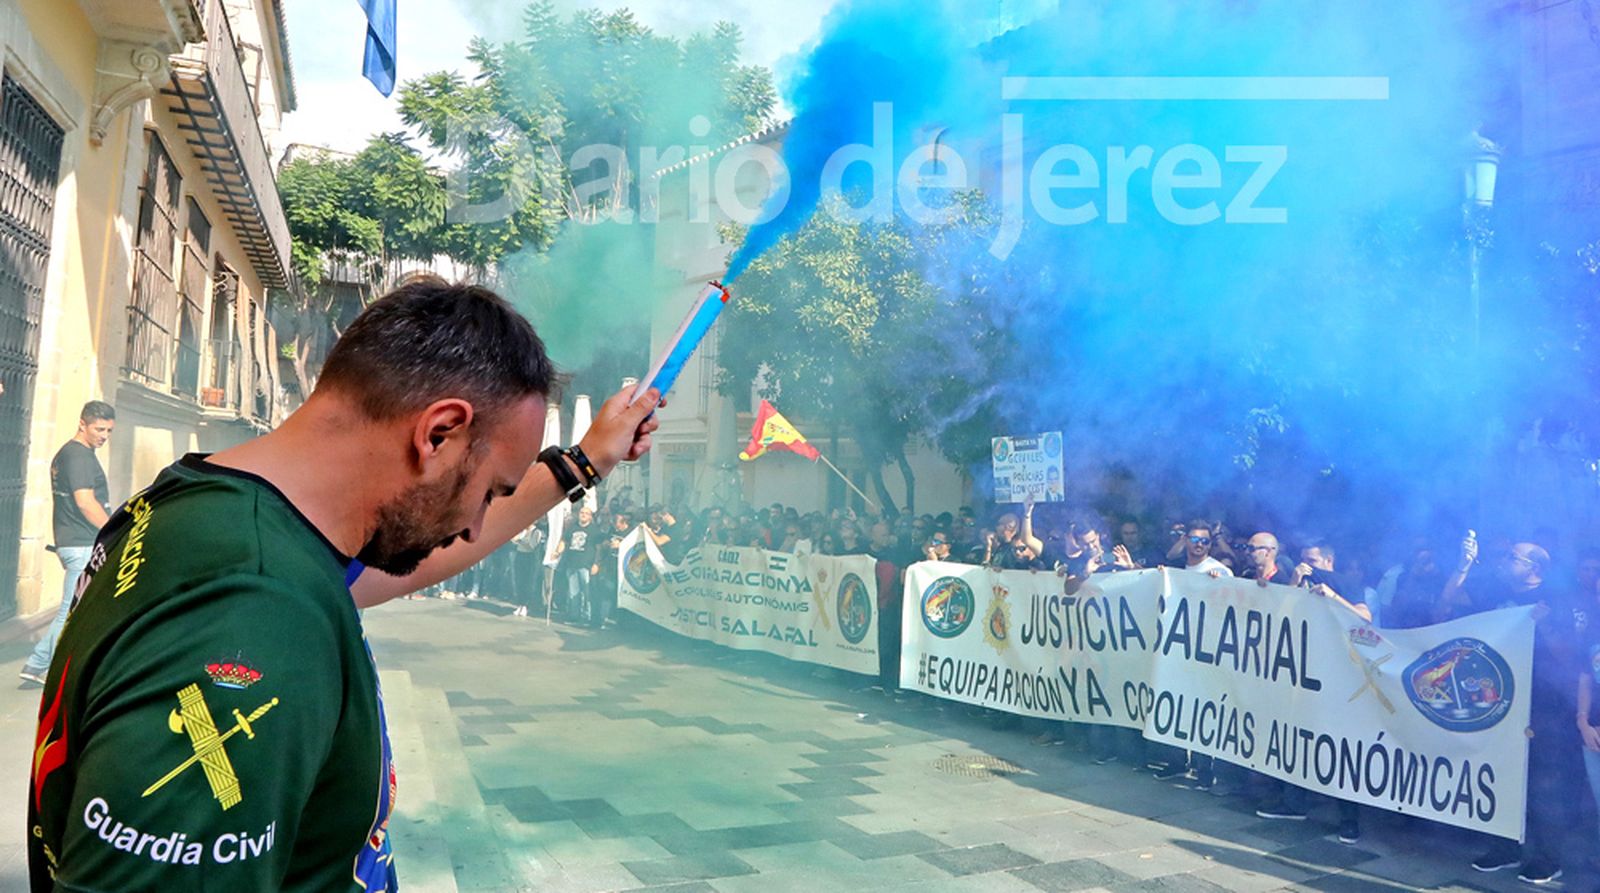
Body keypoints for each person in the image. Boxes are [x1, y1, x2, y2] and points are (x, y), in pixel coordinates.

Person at [27, 278, 660, 892]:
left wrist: (585, 461)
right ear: (438, 432)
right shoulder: (251, 609)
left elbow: (389, 568)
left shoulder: (210, 512)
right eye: (489, 489)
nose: (472, 528)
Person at [1444, 535, 1581, 885]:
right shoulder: (1494, 592)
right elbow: (1446, 604)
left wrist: (1544, 624)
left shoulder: (1555, 601)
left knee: (1542, 784)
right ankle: (1504, 847)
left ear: (1534, 568)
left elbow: (1568, 656)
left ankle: (1548, 858)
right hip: (1499, 701)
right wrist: (1463, 565)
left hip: (1543, 707)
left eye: (1513, 557)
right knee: (1501, 775)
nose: (1505, 561)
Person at [20, 400, 116, 687]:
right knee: (71, 608)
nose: (104, 436)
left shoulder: (71, 454)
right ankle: (37, 664)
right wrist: (114, 530)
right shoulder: (79, 457)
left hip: (74, 542)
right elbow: (85, 502)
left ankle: (57, 665)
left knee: (81, 606)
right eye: (99, 429)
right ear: (82, 424)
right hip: (82, 543)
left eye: (109, 431)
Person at [555, 506, 598, 623]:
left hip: (586, 565)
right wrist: (557, 551)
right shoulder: (572, 528)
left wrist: (596, 564)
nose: (583, 515)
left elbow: (599, 547)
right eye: (581, 512)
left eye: (586, 513)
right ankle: (574, 616)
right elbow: (564, 541)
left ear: (590, 516)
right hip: (572, 564)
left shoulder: (594, 530)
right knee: (573, 592)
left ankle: (587, 617)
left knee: (587, 592)